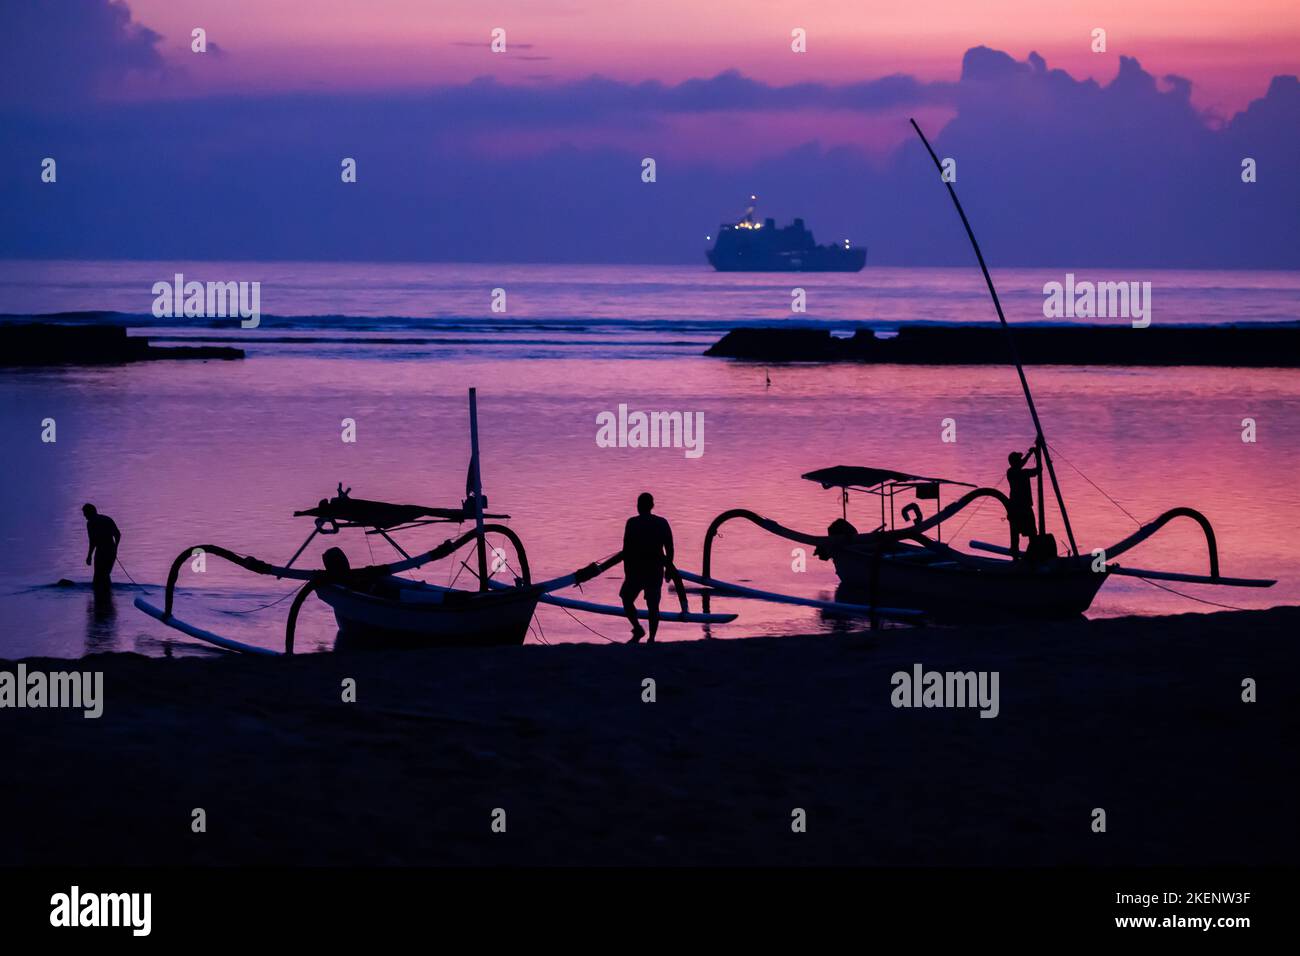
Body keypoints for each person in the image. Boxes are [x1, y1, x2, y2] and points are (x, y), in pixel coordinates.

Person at [620, 492, 674, 643]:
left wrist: (627, 573)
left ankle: (638, 628)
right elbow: (670, 548)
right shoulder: (662, 523)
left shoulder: (631, 523)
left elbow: (626, 551)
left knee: (626, 598)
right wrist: (668, 569)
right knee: (653, 606)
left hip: (637, 570)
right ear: (652, 506)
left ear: (638, 507)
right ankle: (651, 638)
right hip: (654, 570)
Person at [1005, 447, 1040, 558]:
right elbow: (1039, 470)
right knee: (1032, 534)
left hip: (1013, 508)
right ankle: (1031, 558)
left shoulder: (1010, 472)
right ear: (1016, 462)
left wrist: (1030, 454)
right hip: (1024, 509)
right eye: (1019, 460)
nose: (1021, 461)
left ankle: (1015, 558)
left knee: (1015, 536)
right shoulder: (1024, 473)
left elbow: (1020, 464)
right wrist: (1038, 456)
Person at [83, 503, 121, 595]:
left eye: (85, 514)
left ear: (89, 513)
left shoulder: (90, 523)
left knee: (98, 578)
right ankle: (107, 600)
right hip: (110, 551)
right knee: (105, 575)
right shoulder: (107, 519)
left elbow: (92, 541)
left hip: (101, 552)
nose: (84, 516)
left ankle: (101, 602)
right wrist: (115, 548)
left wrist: (89, 556)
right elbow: (118, 534)